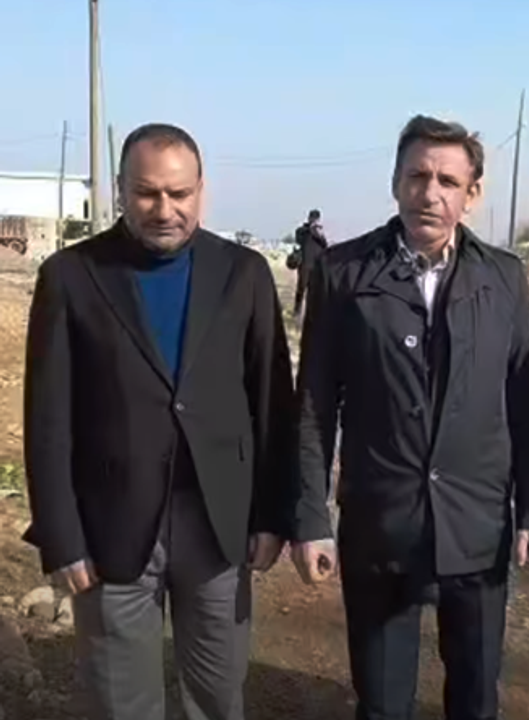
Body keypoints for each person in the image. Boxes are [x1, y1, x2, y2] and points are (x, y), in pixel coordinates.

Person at [22, 122, 294, 720]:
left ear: (202, 191)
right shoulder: (71, 276)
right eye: (147, 193)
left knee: (217, 698)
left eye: (179, 193)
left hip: (217, 528)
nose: (164, 209)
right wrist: (61, 536)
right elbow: (48, 420)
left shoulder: (244, 274)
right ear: (120, 190)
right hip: (111, 529)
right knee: (122, 705)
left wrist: (273, 515)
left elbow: (273, 403)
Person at [290, 115, 529, 720]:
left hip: (476, 525)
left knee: (475, 699)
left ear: (472, 194)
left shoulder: (503, 278)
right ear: (395, 182)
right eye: (416, 176)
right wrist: (310, 518)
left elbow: (524, 405)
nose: (429, 193)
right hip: (380, 522)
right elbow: (314, 405)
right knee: (383, 702)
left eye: (447, 181)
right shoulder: (345, 273)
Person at [292, 208, 328, 317]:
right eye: (312, 218)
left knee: (314, 291)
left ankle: (311, 312)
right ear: (309, 218)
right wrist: (310, 229)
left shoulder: (319, 232)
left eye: (316, 219)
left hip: (316, 265)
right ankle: (297, 310)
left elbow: (325, 244)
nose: (314, 220)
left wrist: (318, 233)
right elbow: (298, 238)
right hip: (305, 264)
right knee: (301, 288)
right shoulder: (302, 230)